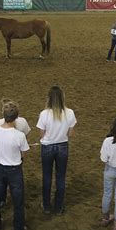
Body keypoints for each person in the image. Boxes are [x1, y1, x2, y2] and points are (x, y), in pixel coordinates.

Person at [0, 101, 29, 230]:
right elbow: (24, 154)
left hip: (0, 168)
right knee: (18, 202)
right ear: (16, 117)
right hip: (15, 170)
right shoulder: (20, 136)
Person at [36, 86, 77, 215]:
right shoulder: (70, 113)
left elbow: (41, 134)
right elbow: (70, 134)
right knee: (61, 177)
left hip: (47, 147)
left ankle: (47, 205)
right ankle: (59, 207)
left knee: (47, 176)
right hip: (62, 147)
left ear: (48, 99)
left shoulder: (44, 114)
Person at [0, 98, 31, 207]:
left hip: (1, 159)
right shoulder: (22, 122)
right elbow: (25, 138)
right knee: (17, 187)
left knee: (0, 184)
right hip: (16, 161)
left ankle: (2, 200)